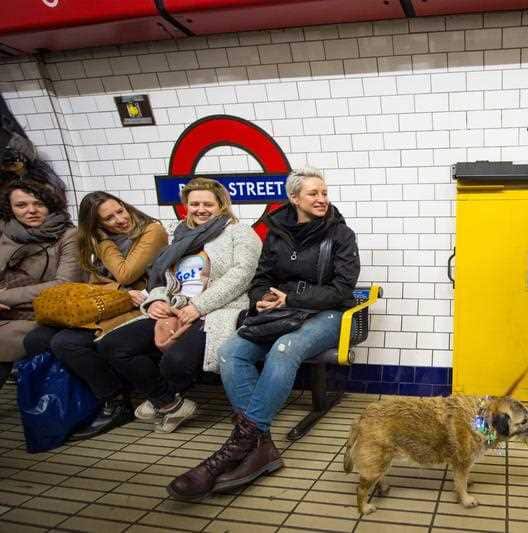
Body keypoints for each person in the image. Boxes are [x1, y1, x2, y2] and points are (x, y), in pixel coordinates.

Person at [167, 167, 360, 501]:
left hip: (328, 315)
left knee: (285, 348)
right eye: (313, 193)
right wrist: (262, 298)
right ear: (294, 198)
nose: (322, 199)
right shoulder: (276, 233)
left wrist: (294, 298)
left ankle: (238, 446)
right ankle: (262, 446)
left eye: (324, 193)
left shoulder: (341, 235)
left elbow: (343, 290)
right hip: (281, 312)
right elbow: (260, 278)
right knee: (232, 351)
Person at [100, 178, 261, 433]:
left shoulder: (239, 233)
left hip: (218, 310)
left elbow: (242, 276)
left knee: (176, 361)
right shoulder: (181, 236)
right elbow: (164, 278)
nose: (200, 209)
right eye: (194, 203)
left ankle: (161, 401)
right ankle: (169, 403)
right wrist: (156, 301)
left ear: (221, 205)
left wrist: (199, 306)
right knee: (113, 345)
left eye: (208, 204)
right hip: (174, 308)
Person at [24, 192, 168, 439]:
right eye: (108, 219)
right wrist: (112, 288)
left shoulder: (150, 231)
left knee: (66, 343)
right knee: (35, 339)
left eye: (120, 211)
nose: (120, 220)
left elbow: (126, 274)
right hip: (105, 302)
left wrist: (102, 241)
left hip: (135, 303)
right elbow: (92, 281)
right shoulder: (92, 243)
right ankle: (77, 398)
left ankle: (114, 400)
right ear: (97, 223)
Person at [0, 176, 81, 387]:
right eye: (21, 205)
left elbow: (63, 284)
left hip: (46, 312)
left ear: (50, 205)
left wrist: (4, 296)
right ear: (10, 209)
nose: (31, 210)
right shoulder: (6, 235)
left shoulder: (68, 235)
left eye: (39, 204)